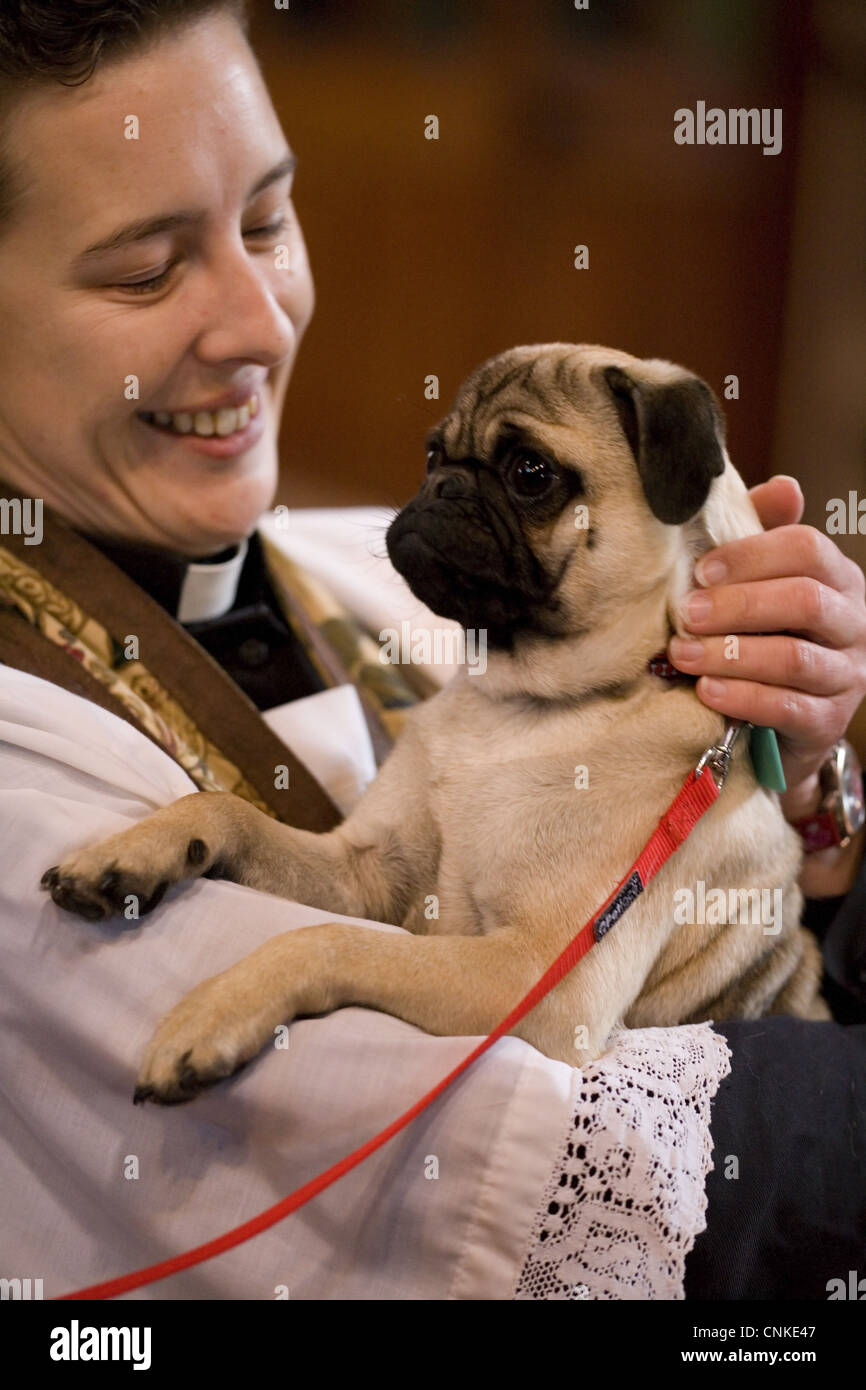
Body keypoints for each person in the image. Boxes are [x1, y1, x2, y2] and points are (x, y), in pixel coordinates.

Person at [0, 0, 863, 1301]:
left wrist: (801, 774)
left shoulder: (376, 570)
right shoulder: (20, 770)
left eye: (269, 222)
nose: (256, 321)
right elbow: (519, 1145)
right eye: (144, 270)